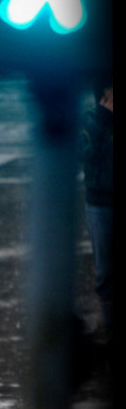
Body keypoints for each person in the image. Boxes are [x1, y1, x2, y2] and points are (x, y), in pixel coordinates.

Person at [81, 73, 112, 332]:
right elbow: (84, 154)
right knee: (105, 273)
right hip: (100, 204)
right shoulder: (91, 121)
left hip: (100, 203)